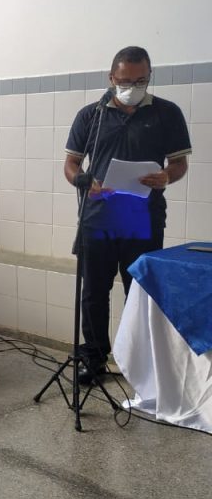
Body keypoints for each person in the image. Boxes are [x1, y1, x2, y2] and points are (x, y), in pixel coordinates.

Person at [63, 46, 190, 383]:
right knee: (94, 292)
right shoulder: (91, 116)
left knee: (140, 292)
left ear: (149, 77)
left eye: (140, 81)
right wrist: (83, 181)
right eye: (124, 81)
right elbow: (71, 163)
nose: (132, 87)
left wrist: (166, 176)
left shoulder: (167, 113)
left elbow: (179, 163)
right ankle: (94, 358)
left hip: (143, 217)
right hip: (98, 217)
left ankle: (140, 363)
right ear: (111, 78)